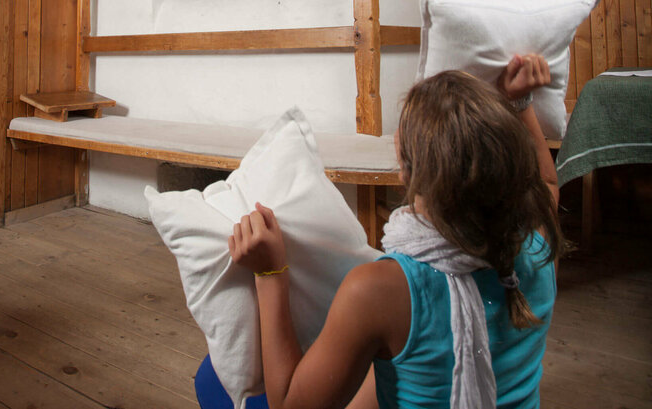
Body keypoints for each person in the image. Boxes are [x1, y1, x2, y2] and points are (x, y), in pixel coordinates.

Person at [221, 54, 562, 409]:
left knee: (213, 382)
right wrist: (521, 104)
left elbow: (289, 405)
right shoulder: (540, 245)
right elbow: (547, 183)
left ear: (407, 176)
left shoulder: (379, 291)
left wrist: (269, 273)